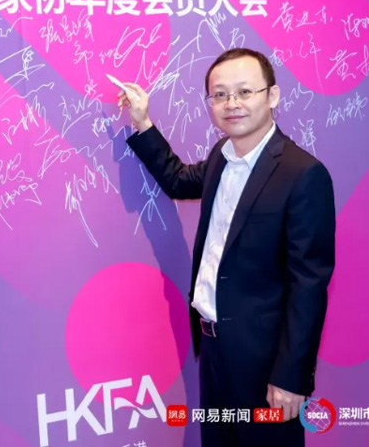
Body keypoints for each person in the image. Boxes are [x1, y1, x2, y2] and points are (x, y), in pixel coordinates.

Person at [117, 48, 336, 447]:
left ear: (272, 96)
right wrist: (143, 122)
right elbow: (179, 180)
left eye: (244, 92)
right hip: (214, 351)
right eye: (220, 95)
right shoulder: (221, 155)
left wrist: (291, 377)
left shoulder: (303, 175)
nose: (232, 103)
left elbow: (308, 286)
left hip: (266, 362)